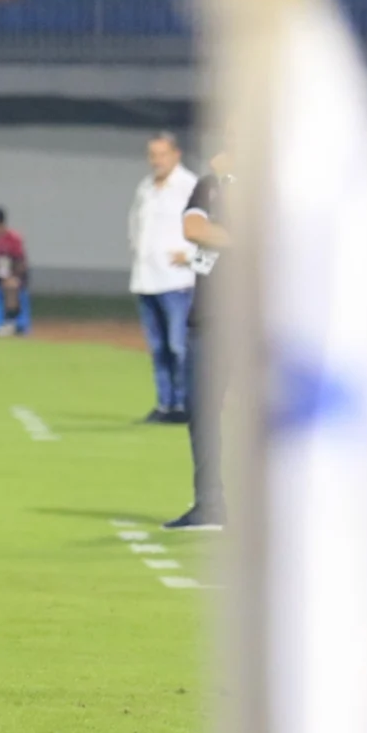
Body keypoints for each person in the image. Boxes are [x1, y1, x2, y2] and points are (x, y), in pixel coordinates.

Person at [166, 151, 231, 531]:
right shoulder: (209, 186)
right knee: (203, 414)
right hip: (208, 318)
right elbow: (193, 230)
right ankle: (209, 504)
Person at [129, 133, 198, 424]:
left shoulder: (189, 186)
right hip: (147, 279)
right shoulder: (146, 187)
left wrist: (192, 257)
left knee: (179, 347)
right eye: (152, 155)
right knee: (158, 349)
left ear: (176, 154)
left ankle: (185, 405)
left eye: (162, 154)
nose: (157, 160)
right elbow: (135, 223)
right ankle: (165, 404)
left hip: (177, 280)